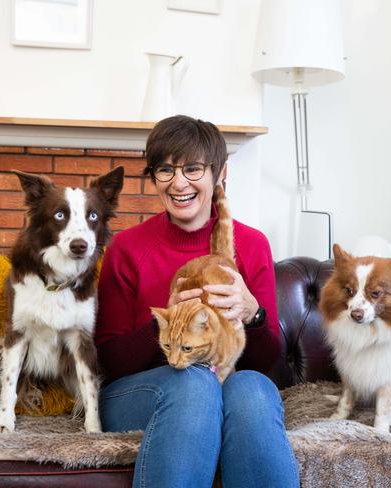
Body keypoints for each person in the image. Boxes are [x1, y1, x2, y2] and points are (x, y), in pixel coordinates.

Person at [95, 115, 299, 488]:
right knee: (194, 382)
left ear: (220, 174)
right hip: (139, 392)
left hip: (227, 383)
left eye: (192, 169)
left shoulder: (252, 245)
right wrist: (166, 322)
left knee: (252, 390)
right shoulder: (127, 248)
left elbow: (266, 361)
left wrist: (253, 314)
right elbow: (109, 361)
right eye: (165, 170)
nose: (178, 183)